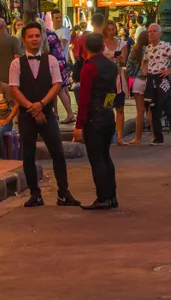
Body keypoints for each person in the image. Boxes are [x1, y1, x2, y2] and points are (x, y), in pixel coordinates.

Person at [9, 23, 81, 207]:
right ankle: (35, 194)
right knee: (28, 155)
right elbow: (14, 89)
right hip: (26, 115)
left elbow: (57, 85)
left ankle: (63, 193)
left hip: (47, 113)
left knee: (57, 152)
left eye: (37, 35)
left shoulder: (51, 61)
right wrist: (31, 107)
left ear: (41, 38)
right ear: (24, 40)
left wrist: (41, 105)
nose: (34, 39)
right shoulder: (16, 63)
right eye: (30, 36)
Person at [74, 32, 119, 210]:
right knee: (106, 156)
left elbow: (84, 99)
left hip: (94, 117)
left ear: (85, 48)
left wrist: (79, 125)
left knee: (97, 159)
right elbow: (112, 92)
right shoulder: (111, 66)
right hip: (107, 114)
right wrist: (107, 108)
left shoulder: (89, 68)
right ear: (102, 47)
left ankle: (103, 197)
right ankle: (111, 196)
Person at [141, 23, 171, 145]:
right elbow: (144, 61)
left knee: (166, 107)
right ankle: (158, 137)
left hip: (162, 79)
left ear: (160, 34)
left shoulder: (165, 46)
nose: (151, 33)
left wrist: (170, 70)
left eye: (154, 31)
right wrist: (145, 71)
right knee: (153, 108)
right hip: (151, 79)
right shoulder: (148, 48)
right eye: (149, 31)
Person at [101, 21, 129, 144]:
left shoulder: (122, 44)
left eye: (113, 29)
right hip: (107, 81)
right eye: (109, 29)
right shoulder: (101, 44)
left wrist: (120, 59)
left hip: (118, 80)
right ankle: (107, 135)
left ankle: (119, 137)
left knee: (120, 108)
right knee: (107, 108)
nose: (112, 32)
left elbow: (124, 62)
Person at [43, 20, 75, 125]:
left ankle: (69, 114)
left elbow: (47, 49)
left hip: (56, 63)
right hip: (60, 62)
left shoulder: (47, 35)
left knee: (60, 89)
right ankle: (61, 113)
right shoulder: (52, 33)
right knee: (61, 89)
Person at [125, 31, 149, 145]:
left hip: (138, 81)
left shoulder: (135, 51)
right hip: (149, 81)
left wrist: (135, 73)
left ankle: (138, 138)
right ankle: (155, 136)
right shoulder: (152, 50)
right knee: (151, 110)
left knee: (140, 111)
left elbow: (128, 68)